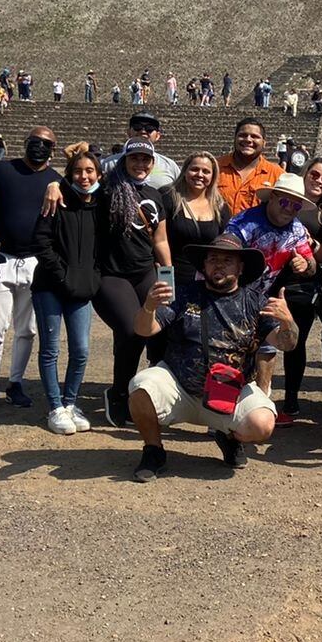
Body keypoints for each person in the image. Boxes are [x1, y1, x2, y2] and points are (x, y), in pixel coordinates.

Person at [128, 236, 298, 481]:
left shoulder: (255, 302)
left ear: (240, 267)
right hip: (180, 388)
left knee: (262, 424)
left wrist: (287, 322)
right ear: (204, 265)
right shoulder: (183, 294)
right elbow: (144, 330)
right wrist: (149, 307)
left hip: (230, 392)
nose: (219, 265)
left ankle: (228, 436)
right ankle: (153, 450)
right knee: (141, 386)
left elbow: (286, 344)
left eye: (227, 260)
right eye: (213, 259)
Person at [0, 125, 62, 411]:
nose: (40, 146)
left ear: (53, 150)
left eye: (46, 143)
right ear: (26, 142)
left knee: (27, 329)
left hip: (35, 262)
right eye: (35, 141)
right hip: (2, 256)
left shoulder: (55, 180)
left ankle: (15, 382)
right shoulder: (3, 170)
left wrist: (57, 183)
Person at [90, 140, 171, 427]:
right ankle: (119, 391)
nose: (140, 164)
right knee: (131, 331)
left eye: (145, 159)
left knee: (161, 328)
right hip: (112, 274)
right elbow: (77, 190)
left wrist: (168, 276)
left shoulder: (155, 195)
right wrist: (54, 185)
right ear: (124, 160)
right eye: (134, 158)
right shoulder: (107, 191)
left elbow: (160, 240)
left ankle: (151, 390)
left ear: (153, 163)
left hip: (144, 272)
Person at [29, 150, 102, 434]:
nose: (84, 177)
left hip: (81, 288)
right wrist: (62, 275)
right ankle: (55, 407)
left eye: (89, 171)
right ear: (69, 174)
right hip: (49, 286)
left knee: (81, 350)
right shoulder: (56, 201)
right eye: (77, 171)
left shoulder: (101, 204)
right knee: (50, 349)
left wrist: (93, 278)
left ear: (98, 174)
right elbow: (41, 242)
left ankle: (70, 403)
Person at [278, 159, 322, 423]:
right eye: (315, 174)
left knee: (296, 341)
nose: (320, 181)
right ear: (305, 174)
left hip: (304, 282)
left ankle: (290, 400)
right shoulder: (286, 199)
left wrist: (309, 244)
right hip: (274, 277)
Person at [161, 152, 224, 290]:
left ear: (213, 176)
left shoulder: (220, 206)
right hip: (173, 277)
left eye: (206, 171)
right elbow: (158, 239)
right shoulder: (168, 197)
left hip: (207, 281)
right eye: (194, 169)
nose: (200, 175)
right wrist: (165, 273)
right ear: (185, 171)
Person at [217, 118, 283, 216]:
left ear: (264, 143)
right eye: (243, 135)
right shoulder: (215, 167)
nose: (248, 140)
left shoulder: (277, 175)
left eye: (255, 136)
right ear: (235, 139)